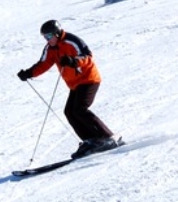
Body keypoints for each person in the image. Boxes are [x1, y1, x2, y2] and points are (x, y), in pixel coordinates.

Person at [17, 20, 121, 158]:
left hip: (89, 79)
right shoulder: (50, 48)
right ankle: (90, 140)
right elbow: (43, 63)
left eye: (49, 36)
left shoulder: (71, 41)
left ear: (57, 33)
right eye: (45, 37)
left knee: (80, 109)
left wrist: (73, 61)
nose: (47, 40)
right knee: (69, 112)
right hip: (75, 84)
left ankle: (108, 137)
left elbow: (88, 57)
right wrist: (28, 73)